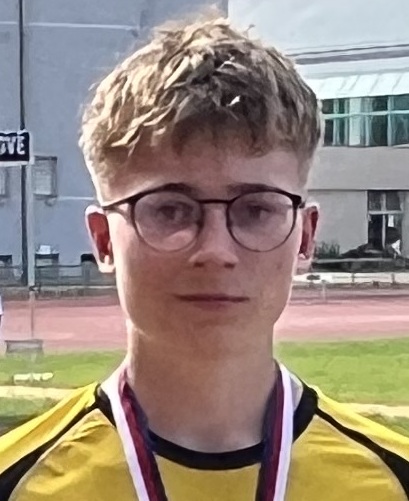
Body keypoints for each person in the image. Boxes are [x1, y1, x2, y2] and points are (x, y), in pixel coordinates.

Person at [0, 13, 408, 501]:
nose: (215, 251)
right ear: (103, 240)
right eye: (170, 209)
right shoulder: (17, 482)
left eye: (256, 209)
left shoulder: (393, 482)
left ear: (304, 237)